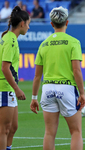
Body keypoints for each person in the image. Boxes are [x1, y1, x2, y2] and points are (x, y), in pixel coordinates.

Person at [30, 6, 85, 150]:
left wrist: (34, 97)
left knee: (49, 133)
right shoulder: (73, 42)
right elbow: (76, 70)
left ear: (51, 24)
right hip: (66, 88)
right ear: (67, 22)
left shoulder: (43, 44)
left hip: (47, 88)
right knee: (76, 132)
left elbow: (37, 76)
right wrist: (82, 93)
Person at [0, 6, 30, 150]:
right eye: (28, 24)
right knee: (4, 130)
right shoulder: (11, 40)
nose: (29, 27)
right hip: (4, 88)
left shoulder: (8, 37)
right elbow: (5, 67)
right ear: (22, 23)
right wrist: (17, 89)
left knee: (13, 127)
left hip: (8, 88)